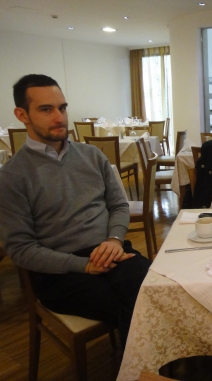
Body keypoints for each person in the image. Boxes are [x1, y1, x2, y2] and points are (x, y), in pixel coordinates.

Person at [0, 74, 151, 346]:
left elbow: (118, 205)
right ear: (22, 114)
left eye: (62, 107)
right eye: (46, 109)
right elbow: (21, 250)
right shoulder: (12, 176)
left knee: (157, 290)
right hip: (61, 271)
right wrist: (84, 265)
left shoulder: (92, 155)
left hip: (111, 250)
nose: (59, 117)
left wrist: (114, 240)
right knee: (137, 306)